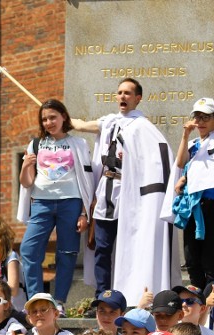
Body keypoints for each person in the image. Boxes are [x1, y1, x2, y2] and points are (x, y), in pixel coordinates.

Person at [72, 78, 180, 304]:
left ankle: (127, 294)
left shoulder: (143, 127)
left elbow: (157, 161)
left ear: (138, 98)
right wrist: (60, 117)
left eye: (128, 93)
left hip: (130, 195)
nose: (122, 96)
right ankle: (102, 296)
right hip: (106, 192)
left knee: (129, 246)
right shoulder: (110, 122)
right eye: (120, 92)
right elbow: (82, 125)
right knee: (102, 247)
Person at [18, 99, 94, 311]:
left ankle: (59, 301)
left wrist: (84, 213)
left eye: (53, 117)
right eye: (44, 119)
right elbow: (26, 182)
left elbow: (88, 180)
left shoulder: (78, 144)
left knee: (67, 252)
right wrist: (25, 166)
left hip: (71, 202)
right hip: (41, 202)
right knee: (29, 249)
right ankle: (35, 299)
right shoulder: (35, 144)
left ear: (63, 117)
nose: (49, 122)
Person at [163, 98, 214, 289]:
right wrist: (185, 135)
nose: (200, 122)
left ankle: (212, 291)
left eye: (206, 117)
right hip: (193, 203)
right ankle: (197, 290)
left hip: (212, 202)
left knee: (208, 250)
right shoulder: (192, 143)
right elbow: (181, 163)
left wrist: (186, 179)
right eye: (197, 117)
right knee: (191, 252)